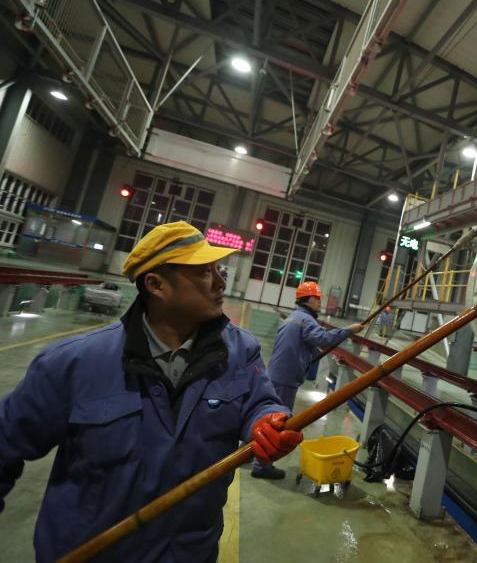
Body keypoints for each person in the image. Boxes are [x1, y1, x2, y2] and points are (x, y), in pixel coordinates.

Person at [0, 221, 302, 562]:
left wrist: (265, 422)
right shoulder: (75, 363)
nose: (221, 282)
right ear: (156, 285)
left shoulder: (239, 351)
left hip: (189, 553)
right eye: (204, 272)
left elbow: (258, 402)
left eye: (219, 270)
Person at [252, 281, 363, 479]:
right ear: (307, 299)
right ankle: (261, 466)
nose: (319, 302)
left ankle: (250, 452)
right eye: (316, 298)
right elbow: (324, 339)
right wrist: (349, 330)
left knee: (267, 417)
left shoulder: (295, 317)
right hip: (285, 377)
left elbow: (305, 343)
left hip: (279, 373)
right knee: (277, 423)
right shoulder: (306, 320)